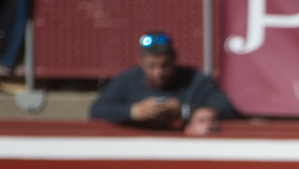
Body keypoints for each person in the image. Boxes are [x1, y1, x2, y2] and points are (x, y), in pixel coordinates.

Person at [90, 33, 239, 131]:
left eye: (164, 65)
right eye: (151, 66)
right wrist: (134, 111)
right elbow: (97, 111)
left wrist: (184, 111)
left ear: (174, 59)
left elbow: (227, 109)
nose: (158, 72)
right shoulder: (127, 80)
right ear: (140, 62)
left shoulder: (195, 80)